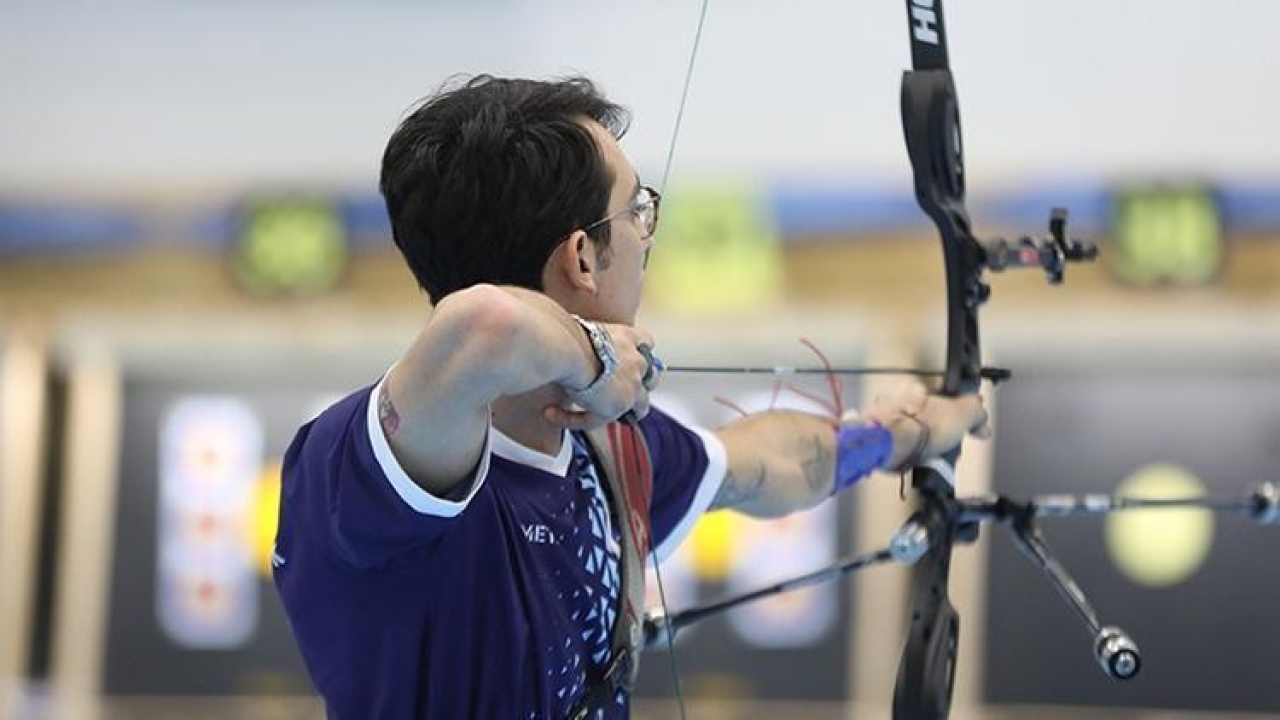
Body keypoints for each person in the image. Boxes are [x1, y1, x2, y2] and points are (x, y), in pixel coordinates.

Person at [272, 75, 989, 719]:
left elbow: (771, 465)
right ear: (580, 257)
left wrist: (907, 434)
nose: (648, 237)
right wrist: (595, 356)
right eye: (637, 211)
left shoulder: (609, 452)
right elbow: (481, 325)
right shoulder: (364, 469)